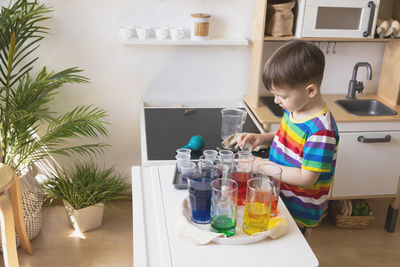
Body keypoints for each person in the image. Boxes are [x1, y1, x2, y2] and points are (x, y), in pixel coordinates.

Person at [239, 40, 339, 235]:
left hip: (298, 209)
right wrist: (262, 138)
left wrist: (259, 165)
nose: (277, 101)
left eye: (282, 96)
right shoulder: (295, 108)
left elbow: (307, 177)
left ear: (310, 90)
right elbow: (289, 137)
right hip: (279, 196)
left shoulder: (321, 131)